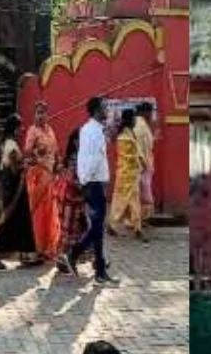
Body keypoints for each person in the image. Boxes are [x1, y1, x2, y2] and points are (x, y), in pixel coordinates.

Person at [56, 97, 116, 284]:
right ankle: (74, 254)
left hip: (90, 182)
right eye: (105, 107)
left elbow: (83, 157)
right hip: (94, 183)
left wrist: (83, 179)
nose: (107, 110)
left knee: (97, 229)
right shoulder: (95, 132)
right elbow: (94, 158)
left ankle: (99, 270)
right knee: (97, 227)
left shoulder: (87, 129)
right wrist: (88, 179)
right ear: (97, 110)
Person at [0, 114, 37, 269]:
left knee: (13, 223)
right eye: (19, 127)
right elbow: (15, 168)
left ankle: (21, 255)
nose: (21, 130)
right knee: (9, 223)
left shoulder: (6, 143)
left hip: (10, 188)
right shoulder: (11, 146)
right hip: (14, 191)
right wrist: (27, 164)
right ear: (14, 128)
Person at [23, 102, 62, 261]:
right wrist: (38, 153)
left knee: (49, 211)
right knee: (37, 211)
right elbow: (27, 153)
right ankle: (35, 247)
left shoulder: (50, 130)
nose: (41, 116)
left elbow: (56, 150)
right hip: (37, 175)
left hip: (50, 176)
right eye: (38, 112)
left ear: (48, 114)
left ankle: (47, 247)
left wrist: (59, 163)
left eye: (44, 113)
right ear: (34, 114)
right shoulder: (32, 131)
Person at [108, 109, 145, 240]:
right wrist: (141, 162)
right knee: (122, 200)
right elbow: (129, 156)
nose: (136, 120)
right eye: (134, 118)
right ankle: (113, 223)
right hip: (126, 173)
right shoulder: (125, 137)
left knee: (134, 200)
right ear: (130, 120)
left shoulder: (128, 134)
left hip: (130, 173)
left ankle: (137, 227)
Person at [57, 127, 90, 264]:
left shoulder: (80, 156)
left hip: (78, 199)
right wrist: (84, 186)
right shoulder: (74, 158)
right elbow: (71, 178)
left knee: (81, 228)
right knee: (69, 230)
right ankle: (63, 258)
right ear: (76, 142)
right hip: (72, 199)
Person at [133, 102, 156, 221]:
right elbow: (137, 146)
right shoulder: (140, 126)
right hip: (142, 163)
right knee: (143, 192)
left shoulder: (141, 124)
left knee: (141, 191)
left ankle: (139, 218)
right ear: (145, 112)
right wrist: (143, 162)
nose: (152, 115)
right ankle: (139, 218)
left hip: (143, 162)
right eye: (151, 112)